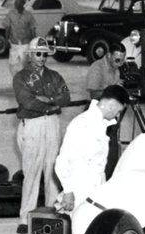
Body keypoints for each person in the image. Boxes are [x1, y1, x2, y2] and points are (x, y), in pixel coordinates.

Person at [13, 37, 71, 234]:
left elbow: (66, 97)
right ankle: (25, 217)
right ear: (30, 55)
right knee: (31, 169)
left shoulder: (55, 75)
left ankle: (53, 213)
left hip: (52, 124)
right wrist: (51, 104)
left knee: (53, 168)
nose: (42, 58)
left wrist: (48, 99)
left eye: (45, 54)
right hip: (32, 125)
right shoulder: (20, 77)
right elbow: (27, 102)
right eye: (38, 54)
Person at [54, 84, 130, 217]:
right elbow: (62, 160)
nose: (118, 116)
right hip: (79, 190)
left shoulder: (101, 124)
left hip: (95, 189)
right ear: (111, 105)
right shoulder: (82, 123)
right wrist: (68, 191)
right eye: (118, 111)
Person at [85, 41, 127, 176]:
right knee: (96, 153)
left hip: (111, 113)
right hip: (97, 112)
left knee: (112, 151)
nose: (120, 64)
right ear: (108, 55)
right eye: (117, 60)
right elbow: (94, 93)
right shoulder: (97, 68)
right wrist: (113, 90)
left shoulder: (117, 69)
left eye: (122, 61)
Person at [3, 0, 38, 76]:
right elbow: (7, 27)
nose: (15, 4)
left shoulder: (28, 15)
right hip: (14, 43)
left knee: (24, 65)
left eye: (17, 2)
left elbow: (33, 29)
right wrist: (6, 40)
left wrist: (34, 43)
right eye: (15, 2)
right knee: (13, 66)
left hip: (25, 44)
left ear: (23, 3)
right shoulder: (10, 14)